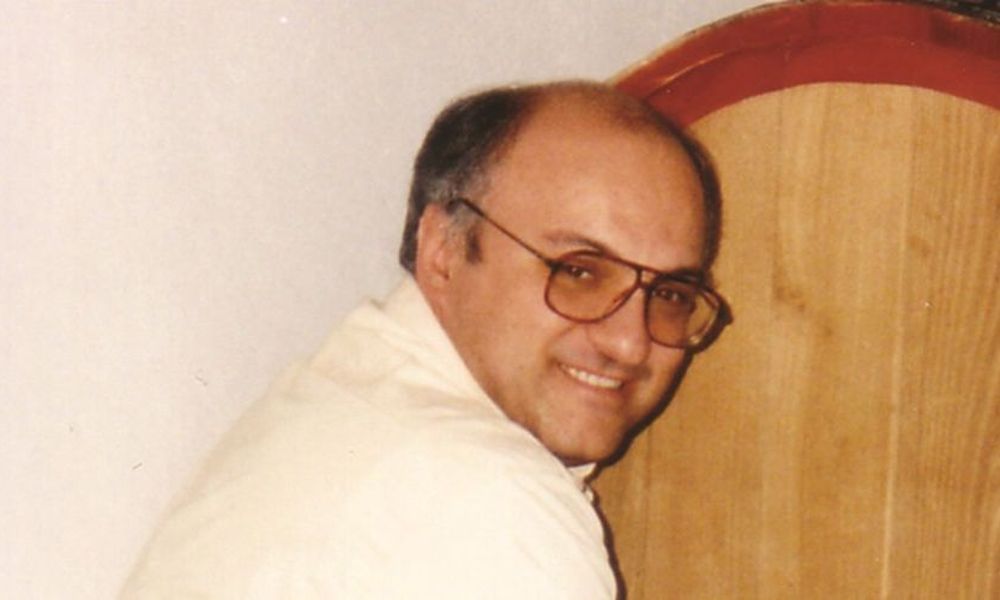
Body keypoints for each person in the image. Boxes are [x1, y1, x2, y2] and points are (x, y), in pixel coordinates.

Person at [121, 80, 729, 599]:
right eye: (579, 272)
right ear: (442, 250)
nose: (629, 344)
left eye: (671, 294)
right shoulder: (492, 499)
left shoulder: (340, 403)